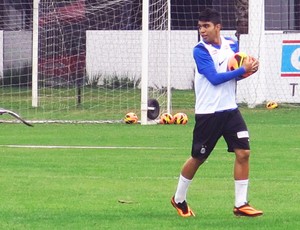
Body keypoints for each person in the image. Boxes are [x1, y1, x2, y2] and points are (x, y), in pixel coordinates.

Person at [171, 8, 263, 217]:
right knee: (198, 158)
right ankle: (178, 199)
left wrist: (247, 71)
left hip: (230, 110)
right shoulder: (200, 50)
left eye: (206, 26)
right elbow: (214, 78)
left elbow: (232, 75)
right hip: (209, 113)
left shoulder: (232, 44)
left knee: (244, 153)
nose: (202, 30)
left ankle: (240, 204)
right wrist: (242, 69)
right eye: (200, 27)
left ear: (218, 27)